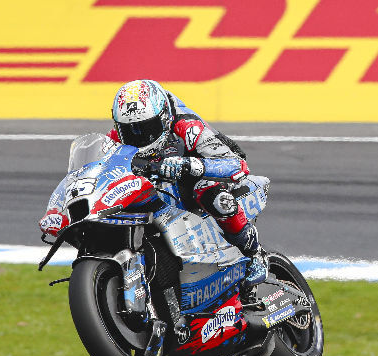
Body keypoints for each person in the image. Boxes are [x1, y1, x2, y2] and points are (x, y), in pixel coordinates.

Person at [108, 79, 267, 287]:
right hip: (159, 174)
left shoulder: (187, 125)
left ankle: (255, 253)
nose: (139, 137)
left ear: (163, 118)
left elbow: (236, 164)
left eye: (147, 128)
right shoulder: (116, 137)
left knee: (213, 195)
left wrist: (190, 165)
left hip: (206, 164)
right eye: (130, 131)